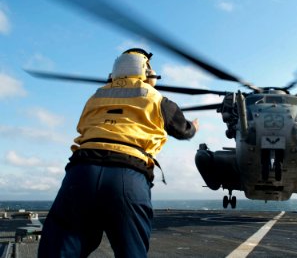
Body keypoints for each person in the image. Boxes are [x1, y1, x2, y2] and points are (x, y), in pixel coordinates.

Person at [38, 48, 199, 257]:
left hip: (81, 173)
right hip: (128, 176)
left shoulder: (96, 96)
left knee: (58, 250)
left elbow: (84, 125)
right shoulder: (157, 99)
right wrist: (193, 126)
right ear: (146, 72)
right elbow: (183, 130)